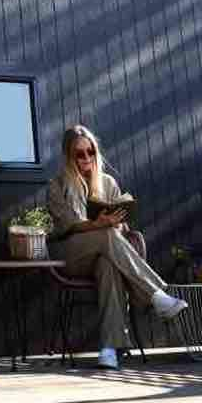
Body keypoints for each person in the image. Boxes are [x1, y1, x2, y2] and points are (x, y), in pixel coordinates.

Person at [47, 125, 188, 369]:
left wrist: (116, 223)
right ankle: (155, 294)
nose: (86, 158)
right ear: (68, 156)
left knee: (108, 265)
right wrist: (97, 224)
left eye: (90, 152)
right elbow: (68, 225)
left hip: (105, 252)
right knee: (104, 235)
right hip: (69, 254)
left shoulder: (107, 183)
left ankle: (109, 349)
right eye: (79, 154)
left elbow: (120, 229)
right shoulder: (57, 185)